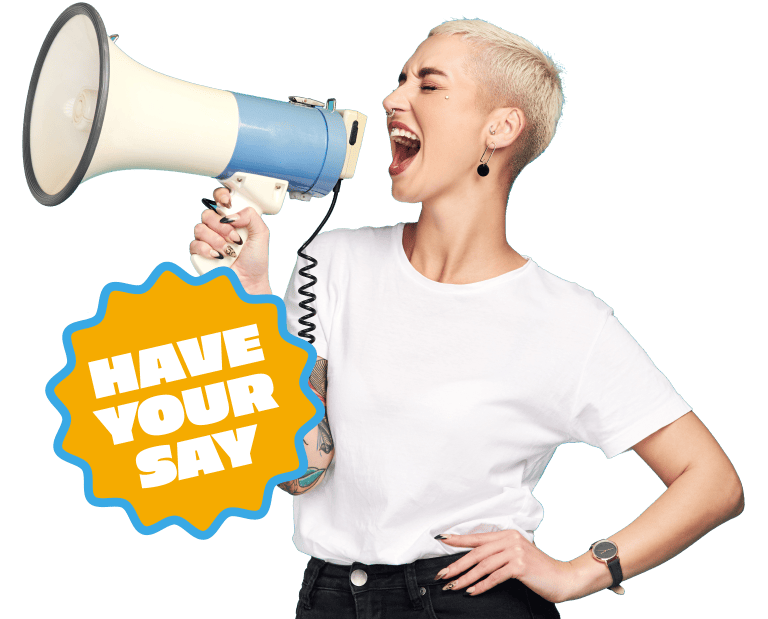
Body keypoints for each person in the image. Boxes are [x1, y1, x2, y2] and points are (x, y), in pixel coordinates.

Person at [190, 19, 744, 619]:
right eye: (400, 80)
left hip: (471, 602)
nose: (392, 99)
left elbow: (712, 481)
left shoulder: (566, 322)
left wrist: (577, 574)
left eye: (428, 86)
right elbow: (301, 469)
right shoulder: (334, 260)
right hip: (328, 598)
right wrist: (247, 295)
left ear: (500, 128)